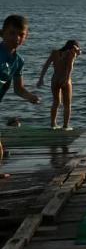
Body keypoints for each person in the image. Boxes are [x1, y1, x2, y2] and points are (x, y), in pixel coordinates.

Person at [0, 14, 40, 176]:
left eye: (21, 34)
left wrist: (30, 96)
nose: (16, 37)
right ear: (2, 33)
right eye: (11, 33)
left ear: (26, 36)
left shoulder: (18, 61)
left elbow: (18, 89)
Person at [36, 40, 81, 129]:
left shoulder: (54, 53)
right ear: (74, 47)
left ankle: (53, 124)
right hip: (65, 80)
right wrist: (67, 78)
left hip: (55, 80)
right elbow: (70, 67)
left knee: (56, 102)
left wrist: (41, 78)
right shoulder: (72, 54)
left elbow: (46, 65)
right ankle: (65, 126)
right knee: (67, 104)